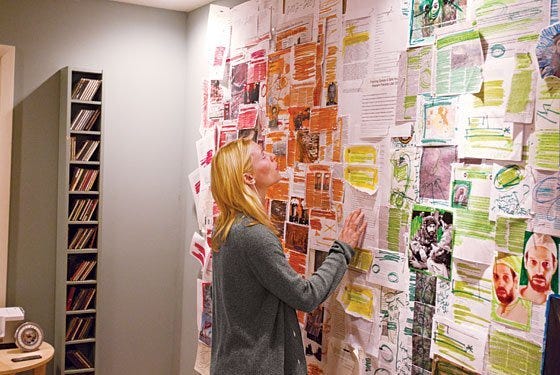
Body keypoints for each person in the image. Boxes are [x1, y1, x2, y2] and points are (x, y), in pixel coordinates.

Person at [209, 138, 367, 375]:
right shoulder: (253, 235)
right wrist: (342, 248)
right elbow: (306, 296)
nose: (273, 157)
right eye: (262, 156)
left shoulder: (227, 227)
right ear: (248, 178)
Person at [492, 255, 530, 327]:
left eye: (506, 277)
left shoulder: (522, 314)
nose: (500, 284)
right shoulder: (498, 309)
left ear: (515, 281)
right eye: (496, 277)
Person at [520, 233, 558, 305]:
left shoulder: (556, 305)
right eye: (533, 262)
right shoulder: (513, 295)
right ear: (525, 262)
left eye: (546, 263)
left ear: (554, 266)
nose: (539, 271)